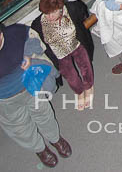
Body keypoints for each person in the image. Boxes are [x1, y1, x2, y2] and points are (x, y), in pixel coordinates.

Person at [0, 21, 71, 168]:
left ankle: (55, 138)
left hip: (30, 85)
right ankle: (40, 149)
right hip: (5, 99)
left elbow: (32, 37)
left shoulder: (15, 32)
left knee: (43, 113)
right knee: (20, 128)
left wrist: (28, 55)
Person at [31, 0, 94, 110]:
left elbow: (82, 10)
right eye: (46, 13)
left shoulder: (72, 8)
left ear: (60, 7)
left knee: (85, 67)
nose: (49, 16)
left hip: (76, 44)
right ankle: (79, 92)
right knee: (71, 76)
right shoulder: (38, 23)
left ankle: (89, 86)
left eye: (52, 12)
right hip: (59, 54)